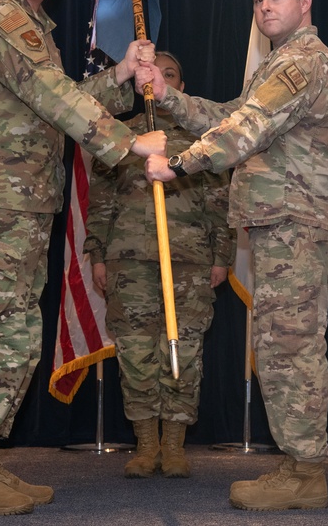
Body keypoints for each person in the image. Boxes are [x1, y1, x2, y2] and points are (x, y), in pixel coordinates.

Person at [0, 0, 166, 516]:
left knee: (12, 334)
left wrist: (119, 74)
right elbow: (53, 96)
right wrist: (128, 142)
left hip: (16, 207)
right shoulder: (1, 17)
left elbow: (53, 99)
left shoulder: (32, 25)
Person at [136, 0, 328, 510]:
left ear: (305, 3)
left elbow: (246, 130)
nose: (265, 7)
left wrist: (176, 165)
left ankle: (305, 473)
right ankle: (298, 464)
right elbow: (234, 114)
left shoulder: (302, 62)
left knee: (291, 350)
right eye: (258, 0)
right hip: (282, 223)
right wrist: (173, 98)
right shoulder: (276, 66)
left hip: (297, 223)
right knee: (279, 348)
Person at [84, 52, 235, 480]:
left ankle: (174, 446)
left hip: (188, 261)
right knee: (135, 352)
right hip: (128, 261)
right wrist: (98, 255)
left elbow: (219, 205)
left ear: (180, 86)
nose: (159, 80)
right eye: (153, 74)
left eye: (170, 74)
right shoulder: (120, 138)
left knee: (184, 350)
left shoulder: (199, 139)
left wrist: (221, 256)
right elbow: (101, 203)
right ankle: (146, 444)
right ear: (139, 83)